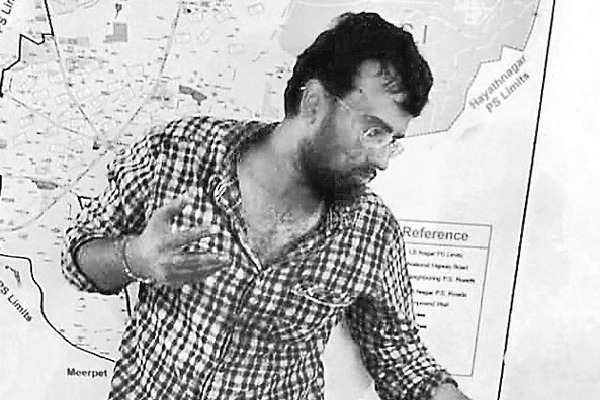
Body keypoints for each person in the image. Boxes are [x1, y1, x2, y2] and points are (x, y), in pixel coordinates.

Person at [62, 12, 471, 400]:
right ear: (314, 103)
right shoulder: (180, 151)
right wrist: (135, 258)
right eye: (373, 132)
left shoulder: (371, 232)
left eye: (392, 141)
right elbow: (77, 257)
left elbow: (400, 357)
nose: (382, 161)